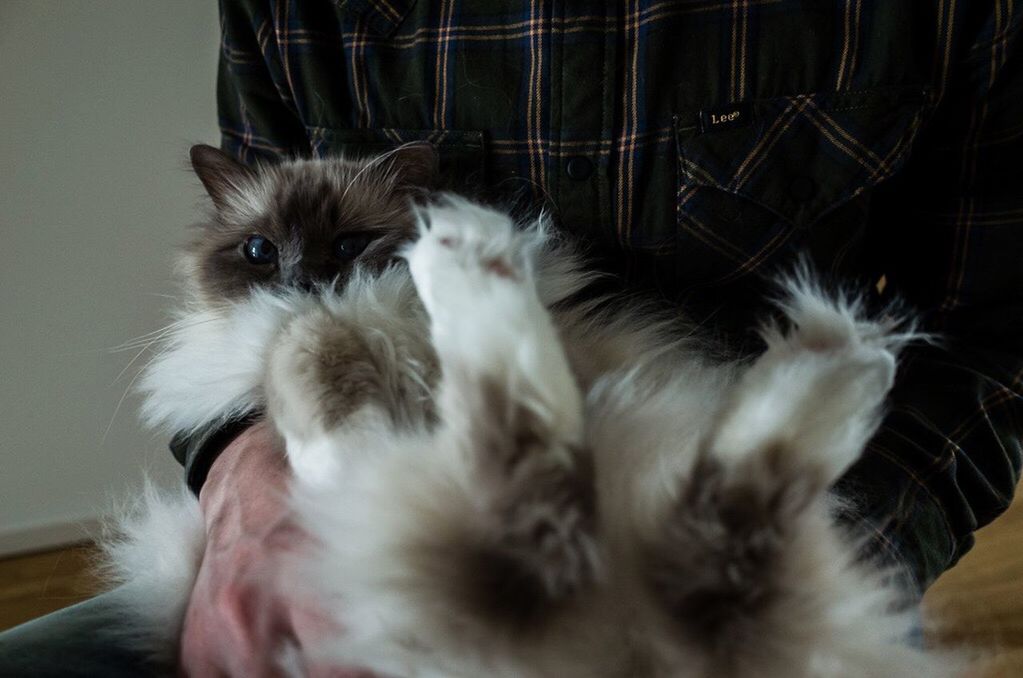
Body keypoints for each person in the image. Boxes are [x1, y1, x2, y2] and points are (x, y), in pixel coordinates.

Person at [2, 2, 1020, 675]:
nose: (307, 281)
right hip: (349, 557)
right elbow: (258, 347)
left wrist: (800, 557)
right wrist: (241, 480)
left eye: (346, 251)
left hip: (751, 528)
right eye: (269, 259)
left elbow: (994, 336)